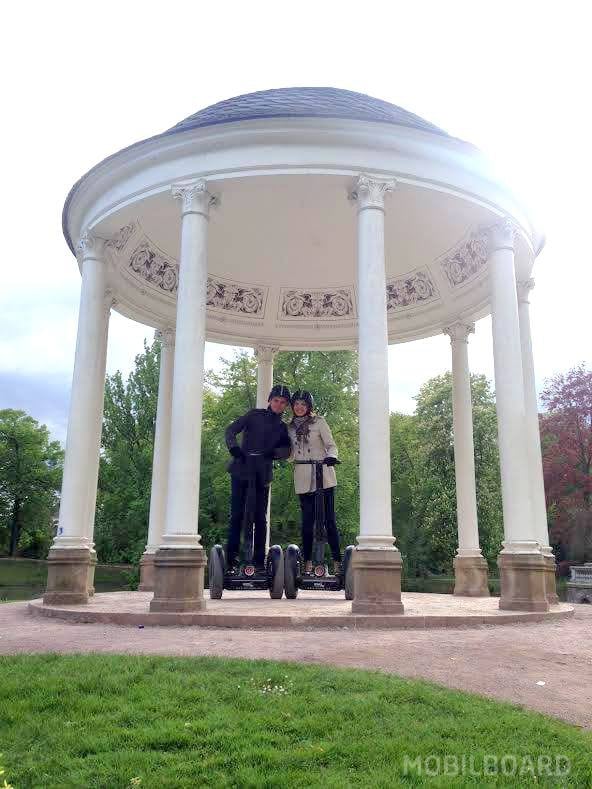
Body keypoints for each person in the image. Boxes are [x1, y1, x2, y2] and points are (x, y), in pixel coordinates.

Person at [224, 385, 292, 572]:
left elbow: (287, 450)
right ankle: (232, 559)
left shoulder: (281, 427)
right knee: (237, 515)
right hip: (241, 468)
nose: (279, 404)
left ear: (285, 406)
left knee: (260, 518)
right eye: (276, 400)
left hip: (262, 472)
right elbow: (230, 430)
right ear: (270, 400)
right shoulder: (253, 415)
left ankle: (259, 562)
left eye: (283, 402)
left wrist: (274, 453)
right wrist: (234, 449)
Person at [287, 390, 342, 575]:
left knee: (329, 521)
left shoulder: (320, 422)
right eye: (296, 404)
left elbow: (331, 445)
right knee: (307, 522)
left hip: (323, 475)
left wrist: (332, 457)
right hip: (303, 477)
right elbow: (289, 453)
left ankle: (337, 562)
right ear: (292, 407)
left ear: (308, 406)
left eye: (303, 404)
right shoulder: (290, 428)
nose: (299, 407)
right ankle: (308, 563)